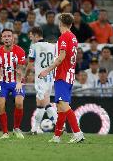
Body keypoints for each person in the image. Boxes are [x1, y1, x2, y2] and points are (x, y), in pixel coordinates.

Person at [39, 13, 85, 143]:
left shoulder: (64, 37)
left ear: (60, 23)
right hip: (69, 75)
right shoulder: (74, 37)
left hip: (62, 75)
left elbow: (61, 58)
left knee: (64, 105)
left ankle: (77, 132)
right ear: (71, 24)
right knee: (60, 107)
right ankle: (57, 136)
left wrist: (46, 70)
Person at [0, 29, 26, 139]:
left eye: (9, 36)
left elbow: (20, 69)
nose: (7, 38)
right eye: (4, 36)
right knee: (0, 104)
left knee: (19, 103)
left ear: (13, 38)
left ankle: (16, 128)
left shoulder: (20, 51)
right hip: (3, 83)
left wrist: (18, 82)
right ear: (1, 39)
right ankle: (5, 132)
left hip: (16, 82)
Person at [26, 27, 57, 134]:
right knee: (43, 104)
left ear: (36, 35)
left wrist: (25, 76)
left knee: (42, 104)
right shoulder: (52, 46)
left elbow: (30, 66)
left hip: (40, 79)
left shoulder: (34, 46)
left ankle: (36, 129)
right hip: (50, 78)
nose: (30, 39)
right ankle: (36, 129)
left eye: (31, 36)